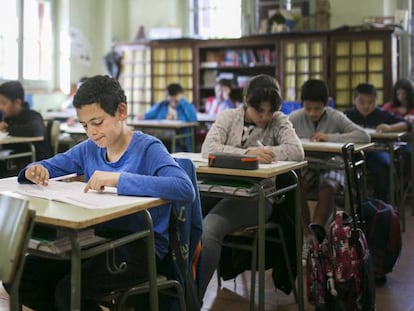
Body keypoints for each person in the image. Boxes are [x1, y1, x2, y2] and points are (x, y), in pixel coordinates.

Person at [4, 75, 196, 311]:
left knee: (69, 291)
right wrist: (34, 170)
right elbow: (50, 165)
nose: (91, 132)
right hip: (97, 239)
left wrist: (118, 179)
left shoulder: (148, 148)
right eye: (85, 125)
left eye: (97, 122)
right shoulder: (89, 149)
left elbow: (183, 188)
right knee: (22, 276)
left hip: (140, 247)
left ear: (121, 111)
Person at [199, 74, 304, 297]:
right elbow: (208, 149)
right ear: (246, 100)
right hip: (217, 190)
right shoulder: (228, 116)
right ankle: (174, 292)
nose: (265, 117)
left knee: (209, 229)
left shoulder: (279, 121)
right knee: (182, 220)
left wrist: (268, 153)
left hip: (257, 197)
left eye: (270, 111)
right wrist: (248, 154)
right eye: (259, 111)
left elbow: (296, 151)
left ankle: (191, 298)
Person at [289, 79, 370, 260]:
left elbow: (363, 136)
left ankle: (316, 232)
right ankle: (306, 236)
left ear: (326, 104)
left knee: (328, 186)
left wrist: (330, 137)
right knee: (296, 186)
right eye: (308, 108)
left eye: (317, 109)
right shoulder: (294, 117)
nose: (312, 113)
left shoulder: (336, 117)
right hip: (308, 164)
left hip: (332, 163)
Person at [345, 82, 412, 203]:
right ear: (354, 100)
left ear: (376, 101)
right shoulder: (347, 115)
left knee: (384, 165)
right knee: (344, 168)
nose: (366, 106)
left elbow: (406, 124)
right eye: (362, 102)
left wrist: (390, 128)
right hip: (353, 153)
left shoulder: (381, 114)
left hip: (376, 152)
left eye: (371, 102)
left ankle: (380, 204)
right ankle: (352, 203)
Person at [0, 81, 51, 176]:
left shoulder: (32, 116)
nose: (0, 107)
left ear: (17, 102)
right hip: (11, 163)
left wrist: (7, 128)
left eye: (3, 103)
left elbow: (36, 130)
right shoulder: (7, 117)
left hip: (32, 167)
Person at [138, 83, 197, 152]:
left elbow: (193, 119)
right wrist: (143, 116)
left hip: (179, 140)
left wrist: (182, 101)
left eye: (176, 101)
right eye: (171, 99)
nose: (174, 103)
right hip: (161, 137)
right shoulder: (162, 105)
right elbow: (149, 115)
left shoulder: (186, 106)